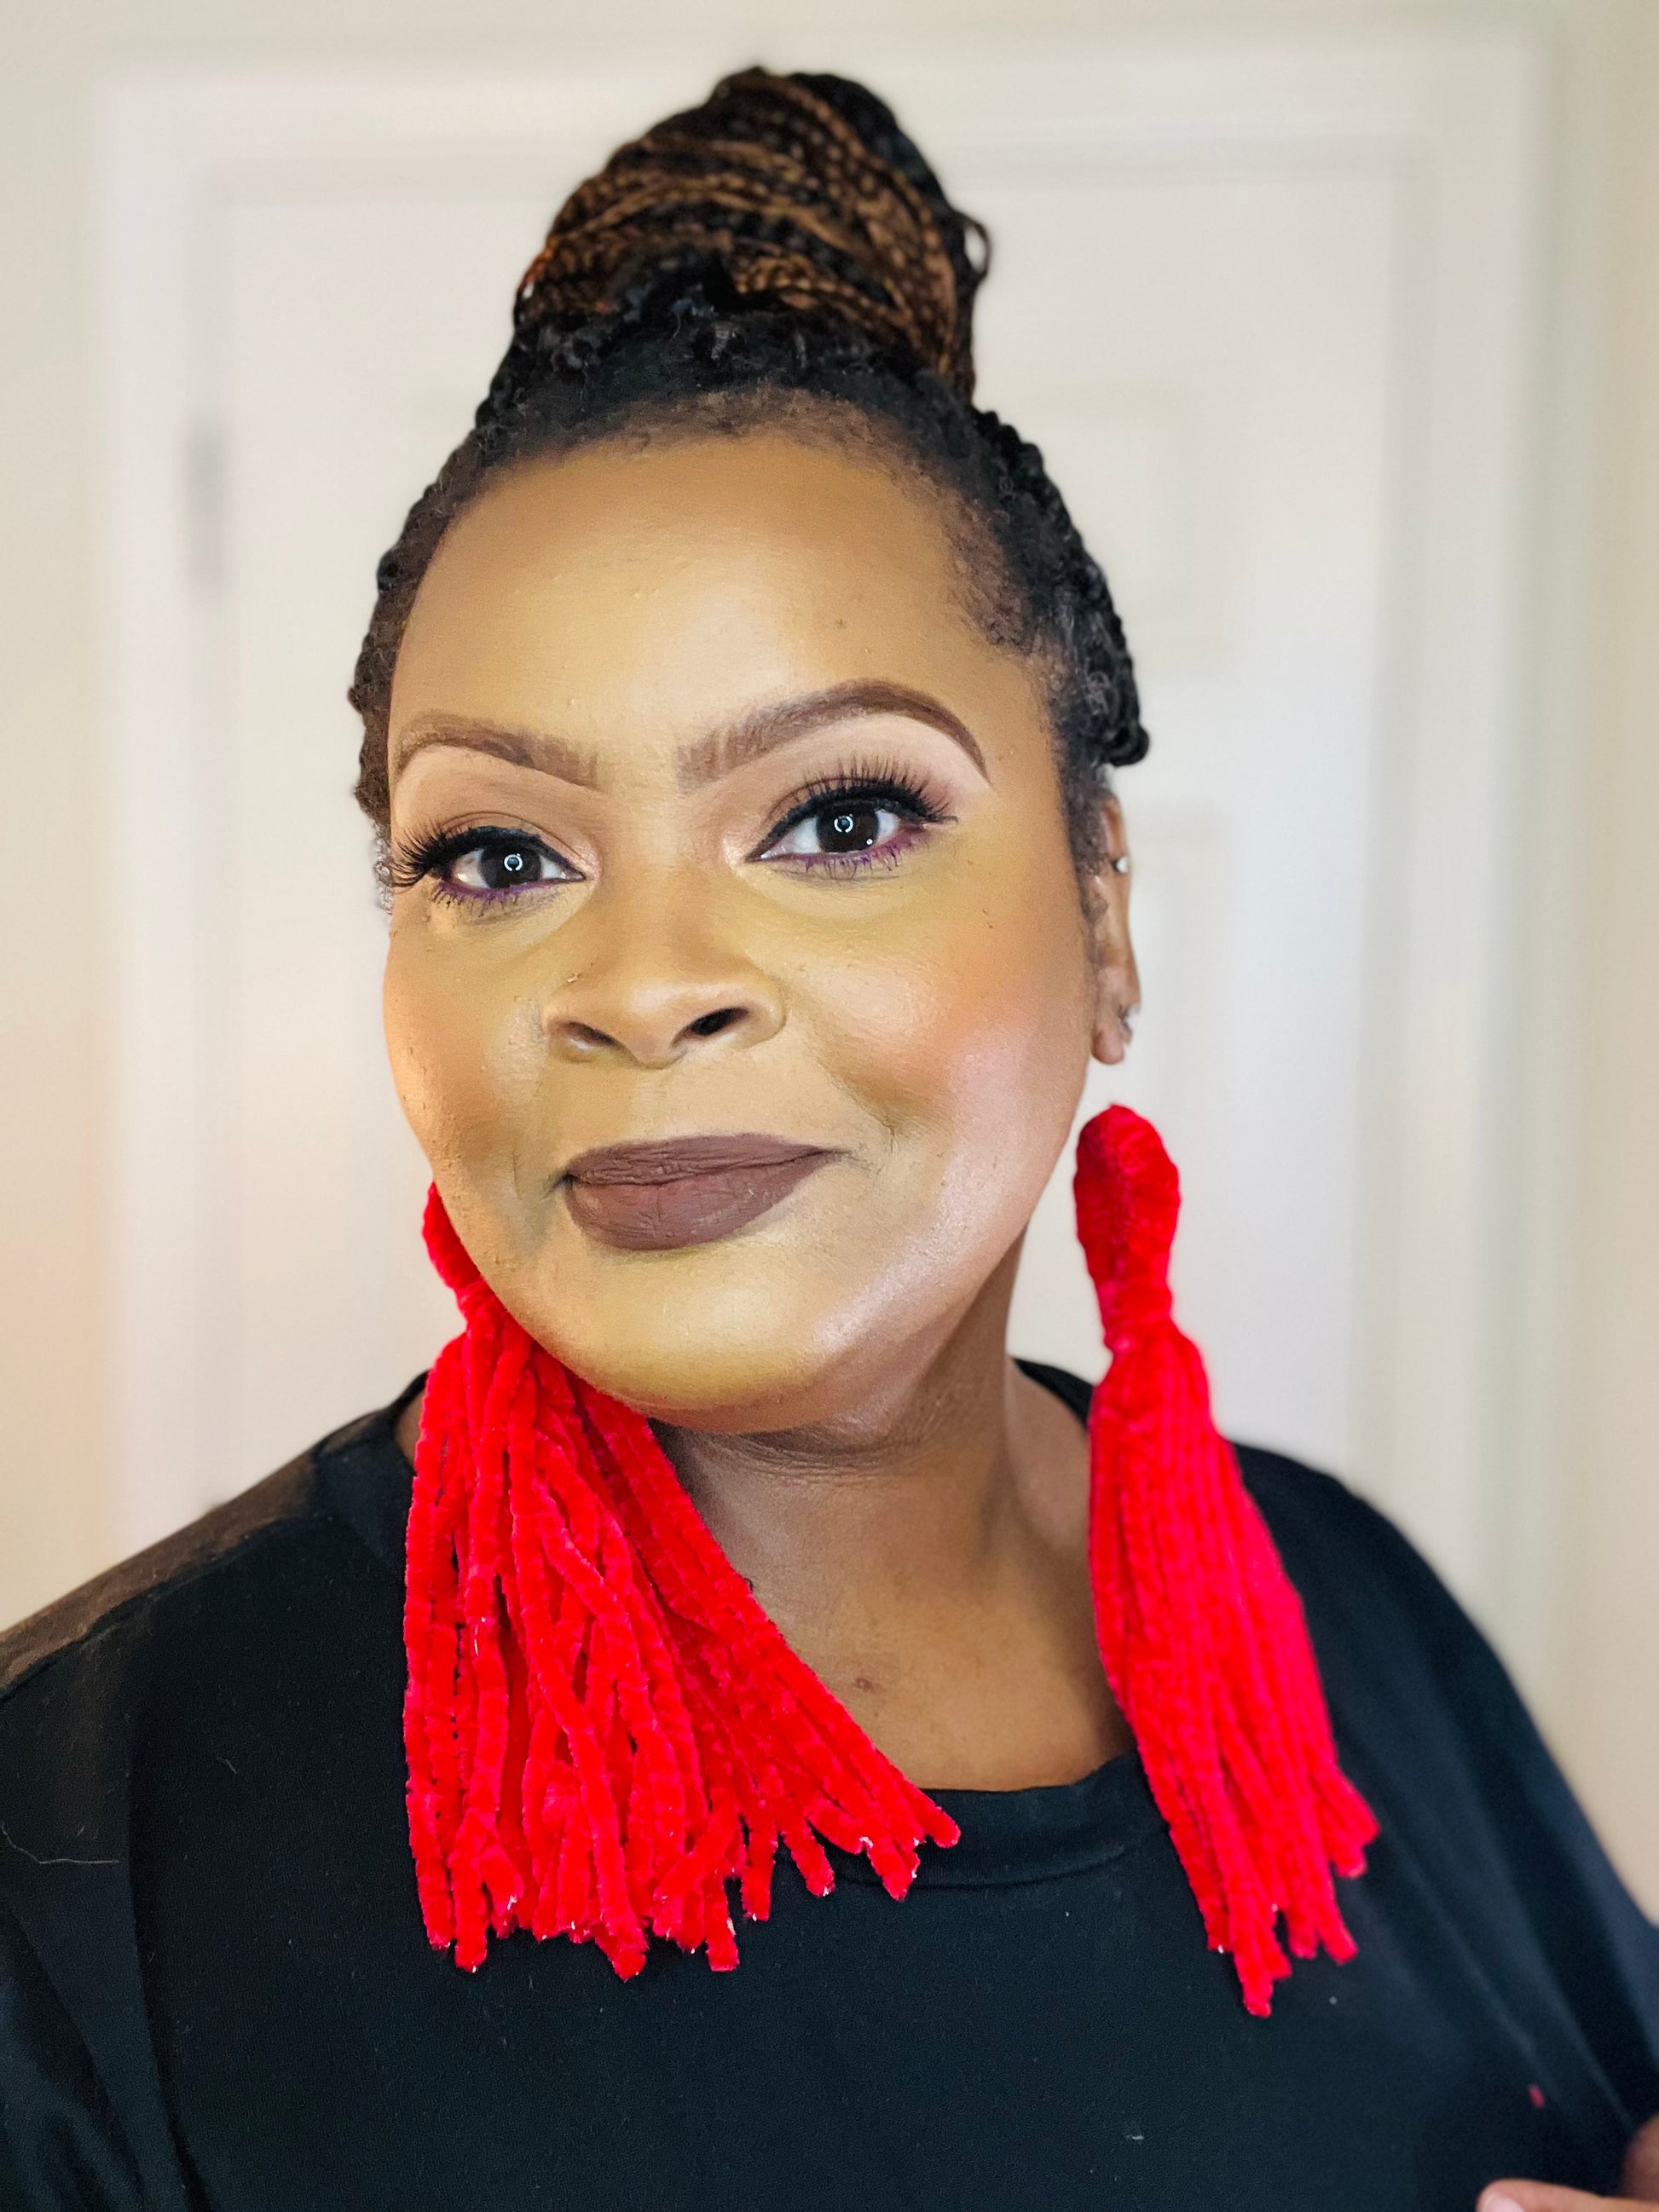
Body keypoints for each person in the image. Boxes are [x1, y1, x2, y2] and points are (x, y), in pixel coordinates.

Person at [1, 67, 1655, 2212]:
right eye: (497, 853)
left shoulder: (1342, 1618)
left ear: (1102, 913)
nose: (642, 982)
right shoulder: (76, 1846)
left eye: (840, 814)